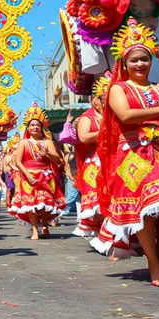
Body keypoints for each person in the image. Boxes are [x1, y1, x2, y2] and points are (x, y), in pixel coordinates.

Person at [94, 18, 159, 288]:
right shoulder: (119, 88)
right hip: (134, 152)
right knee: (145, 210)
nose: (140, 64)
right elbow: (126, 115)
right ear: (124, 64)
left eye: (145, 59)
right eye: (134, 60)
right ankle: (153, 261)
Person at [9, 105, 66, 240]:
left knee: (46, 203)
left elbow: (57, 159)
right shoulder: (23, 143)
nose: (34, 127)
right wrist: (27, 174)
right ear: (28, 128)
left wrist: (47, 154)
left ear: (41, 128)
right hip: (28, 176)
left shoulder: (47, 143)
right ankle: (35, 229)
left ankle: (44, 223)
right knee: (31, 204)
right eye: (32, 125)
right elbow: (18, 161)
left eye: (37, 125)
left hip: (46, 176)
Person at [73, 76, 110, 238]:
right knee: (98, 203)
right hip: (95, 164)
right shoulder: (86, 117)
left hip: (114, 160)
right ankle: (106, 235)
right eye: (99, 98)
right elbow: (84, 137)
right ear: (93, 99)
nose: (102, 101)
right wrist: (107, 131)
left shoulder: (112, 115)